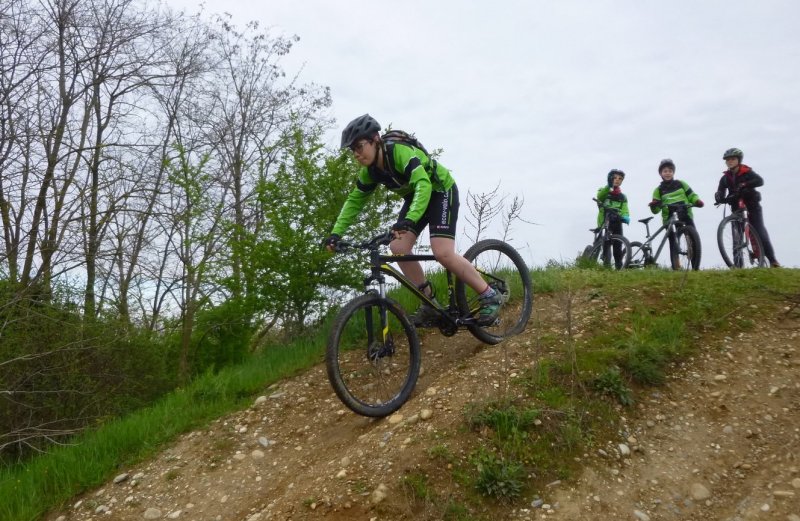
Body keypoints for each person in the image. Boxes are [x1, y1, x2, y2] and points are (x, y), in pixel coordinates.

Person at [324, 114, 503, 326]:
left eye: (359, 147)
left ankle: (489, 294)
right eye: (352, 150)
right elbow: (354, 201)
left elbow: (423, 184)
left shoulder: (399, 152)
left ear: (375, 139)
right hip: (416, 198)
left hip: (439, 190)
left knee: (442, 252)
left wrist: (409, 219)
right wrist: (336, 233)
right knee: (398, 247)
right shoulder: (370, 172)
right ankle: (429, 301)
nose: (356, 154)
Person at [714, 147, 780, 268]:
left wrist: (745, 184)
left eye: (733, 159)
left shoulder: (747, 171)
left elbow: (760, 181)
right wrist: (719, 197)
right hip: (736, 209)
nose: (730, 161)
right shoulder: (725, 178)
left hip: (752, 206)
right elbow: (721, 191)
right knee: (737, 238)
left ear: (739, 160)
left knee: (760, 232)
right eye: (728, 160)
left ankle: (773, 261)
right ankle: (738, 267)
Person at [649, 158, 704, 264]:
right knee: (673, 241)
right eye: (665, 171)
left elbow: (691, 195)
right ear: (661, 173)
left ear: (673, 172)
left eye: (670, 171)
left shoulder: (681, 183)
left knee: (693, 238)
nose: (667, 173)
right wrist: (654, 206)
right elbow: (656, 210)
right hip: (669, 216)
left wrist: (697, 201)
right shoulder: (658, 190)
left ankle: (695, 265)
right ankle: (676, 265)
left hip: (685, 212)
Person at [596, 169, 630, 269]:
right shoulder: (603, 191)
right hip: (606, 220)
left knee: (618, 245)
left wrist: (626, 216)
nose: (617, 180)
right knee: (606, 244)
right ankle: (606, 266)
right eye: (614, 178)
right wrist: (608, 185)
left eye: (620, 179)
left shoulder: (623, 196)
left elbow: (625, 209)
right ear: (610, 178)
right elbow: (600, 196)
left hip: (617, 221)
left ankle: (618, 266)